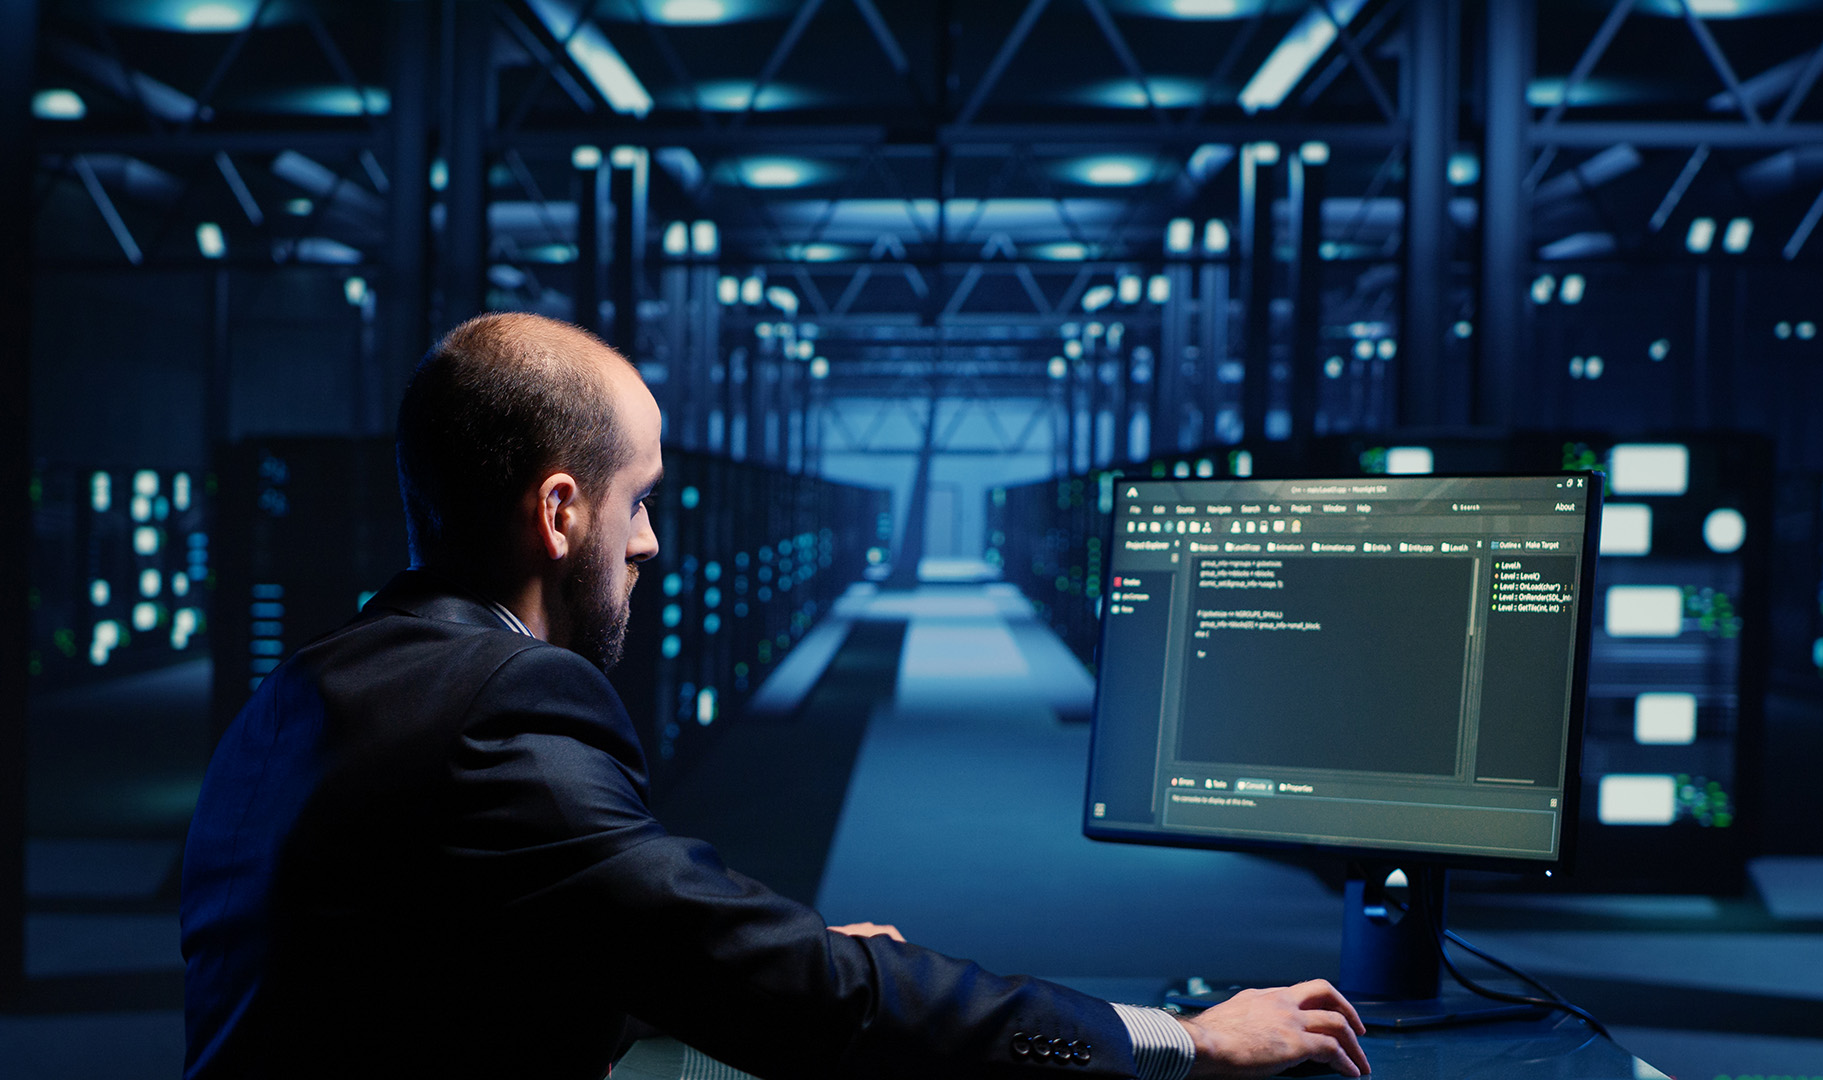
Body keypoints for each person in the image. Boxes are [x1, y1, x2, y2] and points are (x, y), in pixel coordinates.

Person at [180, 312, 1370, 1080]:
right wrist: (1175, 1038)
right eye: (640, 500)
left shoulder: (303, 693)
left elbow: (413, 979)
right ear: (559, 512)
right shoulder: (513, 706)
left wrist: (733, 967)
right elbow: (827, 995)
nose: (651, 544)